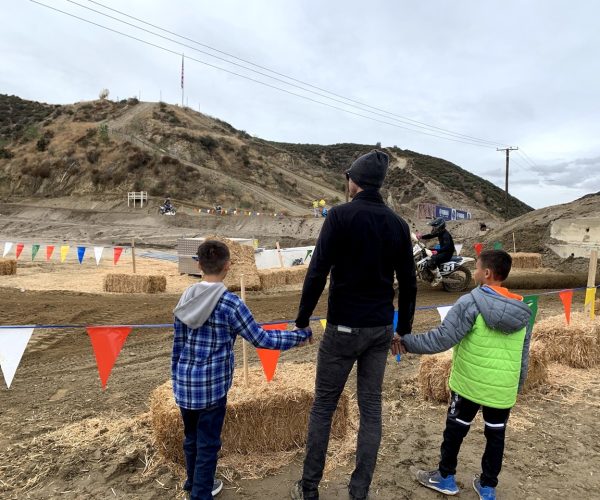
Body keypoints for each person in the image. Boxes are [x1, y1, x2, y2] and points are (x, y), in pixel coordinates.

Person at [291, 150, 417, 500]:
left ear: (354, 181)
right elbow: (409, 283)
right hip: (379, 329)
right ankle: (359, 491)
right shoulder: (398, 224)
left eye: (347, 178)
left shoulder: (339, 217)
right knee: (371, 410)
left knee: (323, 407)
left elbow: (317, 272)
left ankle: (310, 488)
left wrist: (302, 319)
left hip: (343, 328)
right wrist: (402, 329)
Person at [172, 240, 313, 500]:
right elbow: (263, 339)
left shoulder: (185, 297)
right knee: (208, 445)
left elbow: (177, 345)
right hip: (212, 388)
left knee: (191, 437)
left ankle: (192, 483)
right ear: (228, 266)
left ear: (198, 265)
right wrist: (298, 337)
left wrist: (176, 378)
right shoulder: (230, 303)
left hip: (184, 383)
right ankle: (200, 494)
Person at [398, 250, 532, 500]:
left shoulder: (471, 301)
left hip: (469, 382)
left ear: (488, 273)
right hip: (502, 388)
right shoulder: (522, 311)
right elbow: (525, 354)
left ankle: (446, 477)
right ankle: (488, 488)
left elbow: (442, 339)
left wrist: (406, 343)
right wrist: (517, 385)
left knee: (456, 430)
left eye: (478, 268)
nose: (475, 272)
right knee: (496, 436)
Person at [420, 217, 455, 287]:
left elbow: (447, 247)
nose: (433, 229)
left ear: (439, 227)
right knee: (425, 251)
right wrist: (421, 237)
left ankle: (438, 277)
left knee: (431, 262)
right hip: (443, 250)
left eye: (434, 227)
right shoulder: (440, 232)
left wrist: (437, 251)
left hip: (447, 253)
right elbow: (431, 235)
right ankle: (429, 272)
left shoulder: (445, 235)